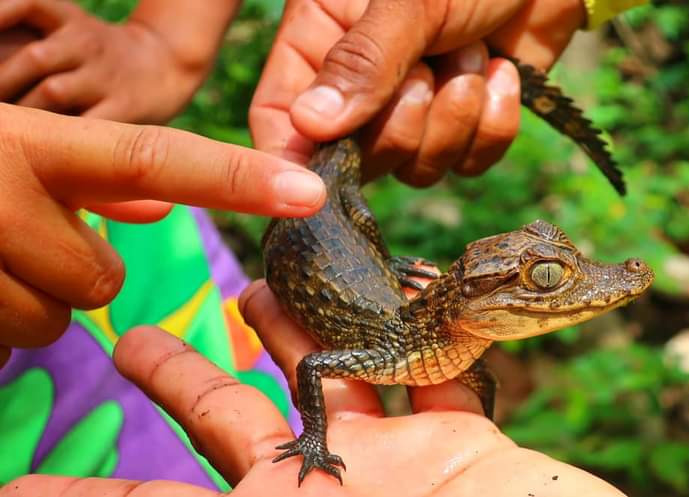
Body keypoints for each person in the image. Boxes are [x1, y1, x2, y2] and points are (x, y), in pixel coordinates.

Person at [0, 0, 648, 492]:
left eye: (551, 268)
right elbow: (314, 367)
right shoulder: (393, 347)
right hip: (290, 240)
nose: (600, 279)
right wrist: (315, 435)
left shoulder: (453, 349)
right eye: (542, 277)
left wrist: (166, 39)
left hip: (185, 265)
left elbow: (322, 361)